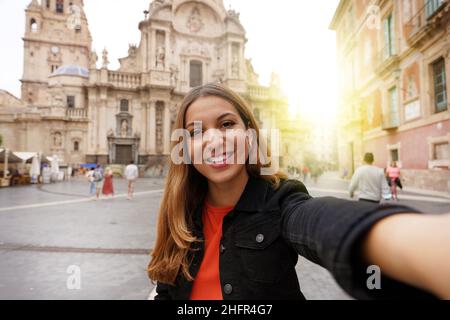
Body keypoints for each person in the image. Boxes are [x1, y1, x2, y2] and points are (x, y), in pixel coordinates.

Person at [148, 83, 450, 300]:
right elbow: (166, 289)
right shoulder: (180, 213)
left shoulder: (282, 201)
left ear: (251, 134)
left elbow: (317, 221)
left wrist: (404, 240)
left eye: (227, 124)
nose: (213, 140)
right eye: (196, 132)